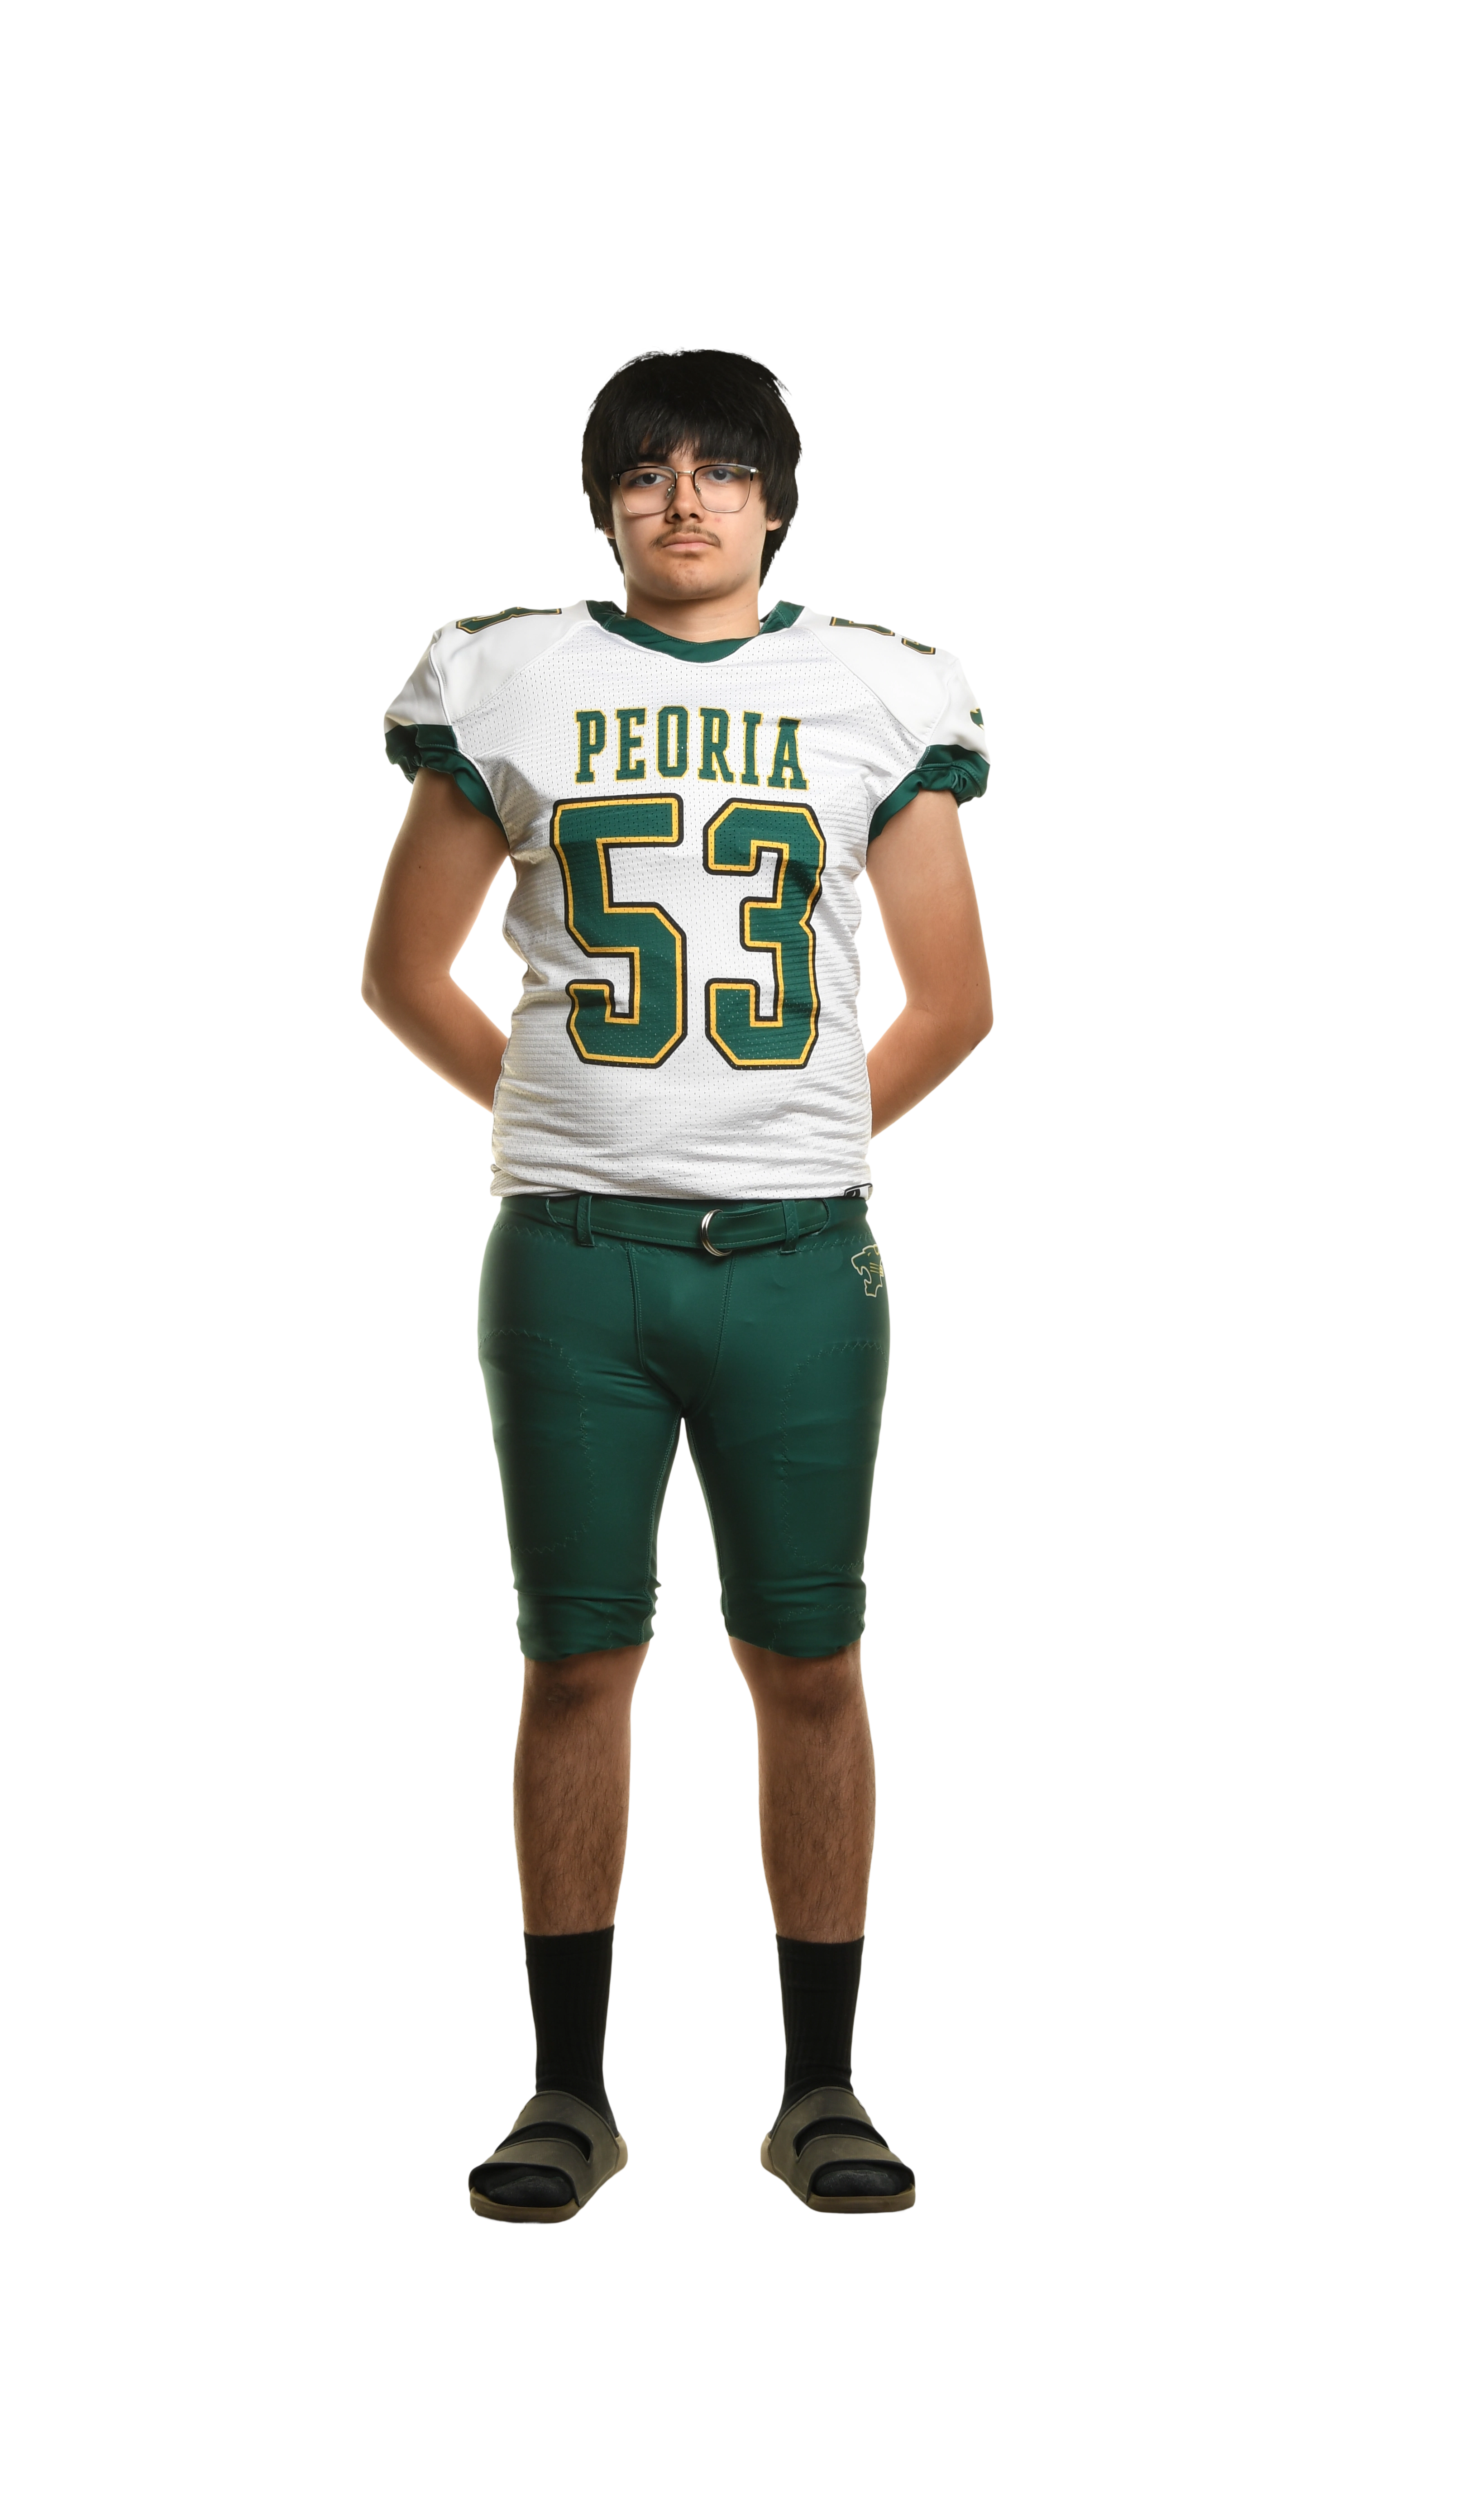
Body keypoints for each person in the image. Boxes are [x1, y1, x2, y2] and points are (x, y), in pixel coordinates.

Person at [362, 344, 994, 2224]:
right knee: (577, 1658)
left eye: (723, 466)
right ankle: (568, 2092)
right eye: (646, 469)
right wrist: (576, 1123)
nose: (685, 498)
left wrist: (776, 1137)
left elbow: (959, 999)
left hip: (799, 1259)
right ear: (605, 500)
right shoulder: (513, 676)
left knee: (810, 1656)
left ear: (777, 497)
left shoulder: (873, 686)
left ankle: (822, 2089)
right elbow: (402, 971)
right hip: (571, 1256)